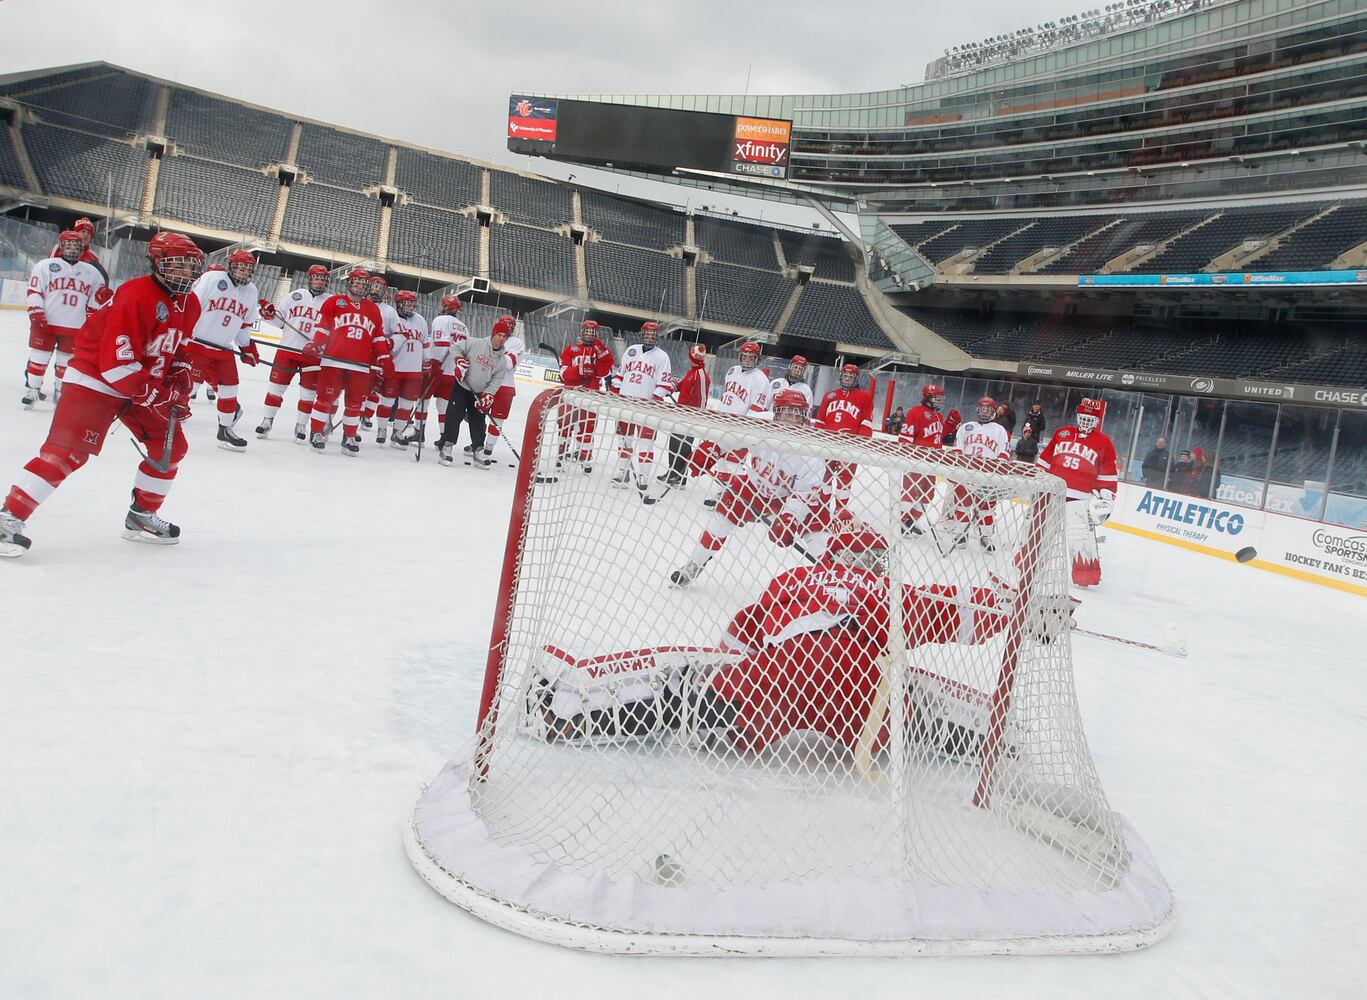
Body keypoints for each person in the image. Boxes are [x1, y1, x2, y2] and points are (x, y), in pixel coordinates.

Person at [535, 524, 1075, 757]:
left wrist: (725, 682)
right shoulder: (888, 589)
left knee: (688, 696)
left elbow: (738, 635)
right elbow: (962, 612)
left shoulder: (791, 579)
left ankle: (572, 718)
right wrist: (1022, 610)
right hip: (858, 697)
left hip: (781, 675)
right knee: (919, 715)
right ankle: (991, 743)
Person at [1, 232, 205, 557]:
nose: (186, 273)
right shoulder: (136, 295)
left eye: (191, 266)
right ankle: (8, 518)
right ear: (157, 265)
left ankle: (140, 516)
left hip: (138, 384)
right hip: (95, 378)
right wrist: (157, 393)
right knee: (68, 452)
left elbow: (177, 347)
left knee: (171, 447)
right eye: (177, 266)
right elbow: (115, 365)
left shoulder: (190, 303)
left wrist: (180, 374)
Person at [670, 389, 829, 587]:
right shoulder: (759, 422)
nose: (792, 420)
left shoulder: (812, 451)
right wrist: (711, 450)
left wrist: (790, 519)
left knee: (818, 527)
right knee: (720, 519)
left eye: (797, 415)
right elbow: (731, 436)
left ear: (805, 417)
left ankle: (831, 577)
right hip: (755, 486)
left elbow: (806, 492)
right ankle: (695, 563)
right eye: (787, 413)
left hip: (790, 496)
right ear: (776, 413)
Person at [304, 267, 390, 456]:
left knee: (355, 403)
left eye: (363, 284)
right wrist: (315, 345)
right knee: (325, 399)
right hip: (333, 361)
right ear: (349, 283)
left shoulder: (372, 309)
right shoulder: (334, 302)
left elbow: (377, 337)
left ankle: (349, 436)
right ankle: (317, 432)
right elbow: (323, 329)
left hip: (359, 365)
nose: (359, 286)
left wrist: (384, 356)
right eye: (356, 282)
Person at [1036, 397, 1119, 588]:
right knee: (1040, 530)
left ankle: (1086, 575)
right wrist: (1037, 480)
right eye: (1083, 417)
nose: (1086, 422)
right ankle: (1028, 563)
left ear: (1097, 421)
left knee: (1081, 536)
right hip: (1053, 491)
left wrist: (1107, 496)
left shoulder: (1104, 442)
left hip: (1080, 498)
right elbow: (1045, 460)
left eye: (1090, 419)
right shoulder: (1062, 433)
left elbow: (1108, 473)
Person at [186, 249, 262, 452]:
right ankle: (164, 419)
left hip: (223, 348)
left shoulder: (251, 291)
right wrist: (181, 332)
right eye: (240, 267)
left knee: (230, 389)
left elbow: (244, 325)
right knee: (187, 388)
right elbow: (190, 305)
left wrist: (246, 347)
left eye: (247, 269)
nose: (243, 272)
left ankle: (225, 430)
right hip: (196, 344)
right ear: (231, 265)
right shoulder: (212, 278)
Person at [24, 230, 107, 408]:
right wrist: (36, 310)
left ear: (82, 248)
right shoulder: (45, 265)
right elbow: (34, 290)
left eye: (76, 246)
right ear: (61, 246)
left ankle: (60, 393)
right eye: (68, 245)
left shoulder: (92, 272)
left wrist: (97, 309)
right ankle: (32, 389)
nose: (72, 249)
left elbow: (96, 298)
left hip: (75, 325)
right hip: (46, 322)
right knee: (38, 357)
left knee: (66, 361)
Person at [686, 340, 772, 505]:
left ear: (757, 359)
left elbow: (756, 409)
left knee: (733, 464)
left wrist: (742, 430)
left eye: (751, 357)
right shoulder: (732, 371)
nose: (747, 359)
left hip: (741, 430)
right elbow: (727, 399)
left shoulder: (760, 379)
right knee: (723, 464)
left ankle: (734, 498)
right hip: (722, 426)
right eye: (744, 356)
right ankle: (722, 494)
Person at [256, 263, 329, 442]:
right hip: (287, 350)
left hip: (314, 356)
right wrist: (269, 314)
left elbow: (333, 330)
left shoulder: (331, 301)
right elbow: (280, 321)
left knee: (308, 394)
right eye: (316, 278)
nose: (319, 282)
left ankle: (301, 424)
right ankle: (267, 420)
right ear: (310, 278)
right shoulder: (294, 295)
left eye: (322, 279)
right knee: (276, 388)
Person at [436, 315, 514, 468]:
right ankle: (447, 447)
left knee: (478, 421)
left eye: (504, 336)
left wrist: (488, 396)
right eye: (499, 335)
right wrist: (459, 362)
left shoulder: (502, 360)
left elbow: (496, 380)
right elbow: (455, 347)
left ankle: (478, 450)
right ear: (493, 334)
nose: (501, 339)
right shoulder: (475, 343)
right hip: (462, 386)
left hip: (479, 392)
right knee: (454, 415)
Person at [609, 321, 674, 498]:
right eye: (647, 334)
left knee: (646, 443)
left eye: (653, 335)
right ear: (642, 334)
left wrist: (655, 401)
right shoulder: (631, 351)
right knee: (624, 441)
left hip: (647, 408)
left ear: (657, 337)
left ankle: (644, 477)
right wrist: (615, 391)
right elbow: (620, 375)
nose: (650, 337)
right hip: (626, 405)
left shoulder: (662, 357)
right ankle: (623, 473)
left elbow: (664, 383)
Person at [942, 396, 1011, 553]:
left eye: (988, 409)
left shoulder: (1000, 430)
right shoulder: (966, 427)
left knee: (986, 508)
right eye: (982, 409)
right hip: (966, 472)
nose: (985, 412)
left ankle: (986, 536)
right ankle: (960, 534)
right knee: (963, 505)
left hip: (987, 475)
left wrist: (997, 472)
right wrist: (956, 468)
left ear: (994, 412)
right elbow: (957, 449)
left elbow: (1004, 453)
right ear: (977, 409)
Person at [400, 294, 468, 448]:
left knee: (422, 400)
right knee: (443, 405)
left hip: (438, 367)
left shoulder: (440, 320)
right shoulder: (464, 327)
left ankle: (419, 432)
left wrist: (435, 363)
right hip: (453, 372)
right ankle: (443, 438)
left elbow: (442, 343)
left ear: (445, 307)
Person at [554, 319, 615, 474]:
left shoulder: (601, 350)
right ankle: (561, 455)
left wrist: (601, 352)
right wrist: (579, 370)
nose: (589, 334)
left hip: (591, 395)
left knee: (588, 428)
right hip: (571, 394)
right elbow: (563, 375)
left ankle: (585, 456)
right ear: (581, 332)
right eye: (586, 331)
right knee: (565, 425)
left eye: (592, 331)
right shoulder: (570, 349)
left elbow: (604, 372)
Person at [814, 364, 874, 516]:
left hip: (849, 446)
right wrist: (817, 440)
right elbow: (820, 421)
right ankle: (822, 506)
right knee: (824, 475)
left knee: (845, 479)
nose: (848, 378)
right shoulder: (829, 395)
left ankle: (840, 509)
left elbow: (866, 423)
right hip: (827, 443)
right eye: (845, 375)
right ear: (841, 376)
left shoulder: (864, 397)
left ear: (856, 378)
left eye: (851, 375)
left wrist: (858, 444)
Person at [377, 289, 430, 447]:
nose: (409, 307)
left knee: (407, 404)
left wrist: (426, 360)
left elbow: (425, 341)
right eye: (405, 304)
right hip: (395, 367)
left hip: (413, 369)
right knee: (387, 400)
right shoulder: (391, 317)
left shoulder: (420, 320)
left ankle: (397, 433)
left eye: (411, 304)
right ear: (398, 304)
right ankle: (381, 429)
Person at [897, 383, 945, 536]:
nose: (939, 402)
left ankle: (909, 522)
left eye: (940, 399)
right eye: (936, 399)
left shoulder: (938, 415)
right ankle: (900, 522)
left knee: (927, 495)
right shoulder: (915, 412)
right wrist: (908, 459)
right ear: (927, 398)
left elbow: (938, 439)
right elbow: (905, 438)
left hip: (932, 463)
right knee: (910, 494)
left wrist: (950, 426)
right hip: (916, 461)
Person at [659, 343, 710, 489]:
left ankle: (680, 477)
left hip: (690, 418)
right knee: (674, 443)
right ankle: (672, 472)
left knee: (683, 447)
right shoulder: (692, 372)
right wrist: (671, 387)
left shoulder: (700, 374)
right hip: (680, 415)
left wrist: (697, 418)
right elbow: (681, 386)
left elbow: (702, 399)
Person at [475, 323, 524, 462]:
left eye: (510, 326)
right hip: (487, 384)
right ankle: (478, 444)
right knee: (478, 416)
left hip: (505, 386)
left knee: (497, 419)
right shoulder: (488, 339)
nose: (506, 329)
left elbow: (509, 363)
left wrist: (493, 355)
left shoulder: (517, 343)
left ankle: (488, 448)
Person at [360, 274, 400, 437]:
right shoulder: (358, 303)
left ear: (384, 291)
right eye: (374, 286)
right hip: (359, 350)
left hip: (378, 354)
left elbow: (398, 333)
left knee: (375, 387)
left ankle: (365, 415)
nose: (376, 290)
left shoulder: (389, 311)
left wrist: (389, 343)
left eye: (380, 287)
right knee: (355, 386)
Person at [48, 217, 109, 282]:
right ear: (76, 232)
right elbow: (48, 269)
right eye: (83, 231)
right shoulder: (60, 248)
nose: (86, 234)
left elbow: (97, 278)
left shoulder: (94, 257)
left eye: (89, 233)